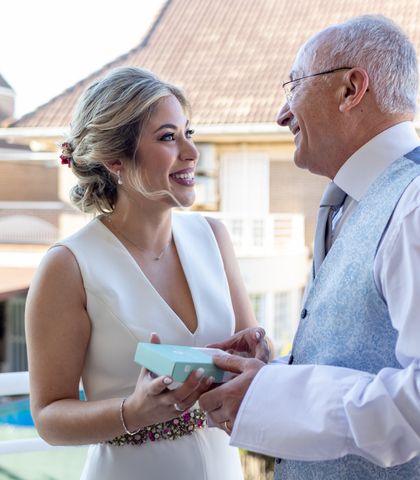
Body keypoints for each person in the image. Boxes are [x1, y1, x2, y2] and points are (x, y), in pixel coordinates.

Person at [200, 15, 420, 479]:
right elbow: (366, 362)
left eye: (293, 87)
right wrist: (272, 373)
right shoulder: (348, 203)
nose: (282, 114)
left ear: (351, 89)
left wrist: (272, 396)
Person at [25, 66, 268, 479]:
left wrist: (255, 354)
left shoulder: (214, 237)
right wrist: (133, 412)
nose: (191, 152)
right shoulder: (68, 265)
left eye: (188, 133)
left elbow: (250, 365)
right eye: (168, 137)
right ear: (114, 159)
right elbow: (49, 417)